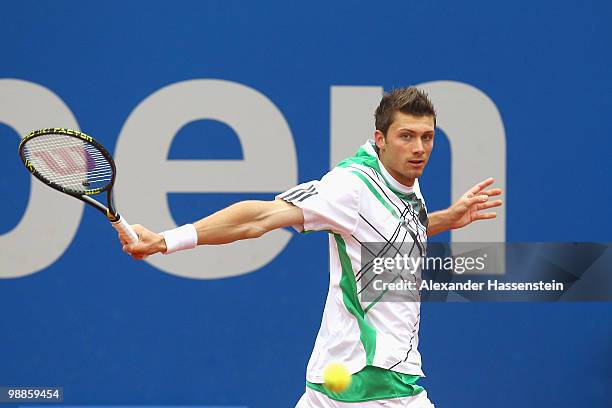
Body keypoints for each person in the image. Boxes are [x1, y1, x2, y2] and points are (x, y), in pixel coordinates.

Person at [121, 87, 503, 407]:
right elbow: (259, 218)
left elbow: (387, 237)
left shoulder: (402, 180)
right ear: (380, 139)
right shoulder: (351, 187)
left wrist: (446, 219)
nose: (419, 148)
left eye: (427, 137)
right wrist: (166, 240)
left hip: (359, 379)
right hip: (368, 383)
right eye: (407, 136)